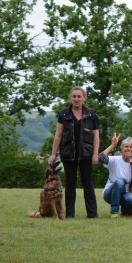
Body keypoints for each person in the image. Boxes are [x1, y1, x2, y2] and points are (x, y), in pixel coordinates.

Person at [49, 86, 100, 219]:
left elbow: (96, 136)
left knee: (88, 184)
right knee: (70, 184)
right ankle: (70, 214)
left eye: (79, 96)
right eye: (74, 96)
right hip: (68, 154)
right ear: (70, 98)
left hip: (87, 154)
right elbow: (58, 135)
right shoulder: (63, 114)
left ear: (84, 98)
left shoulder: (91, 114)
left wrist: (95, 154)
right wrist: (53, 154)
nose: (76, 99)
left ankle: (92, 214)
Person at [100, 133, 132, 218]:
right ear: (121, 149)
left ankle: (124, 213)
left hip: (124, 194)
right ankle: (114, 212)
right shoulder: (114, 160)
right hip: (109, 193)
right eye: (126, 146)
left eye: (131, 147)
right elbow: (101, 157)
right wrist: (112, 145)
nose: (128, 149)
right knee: (119, 182)